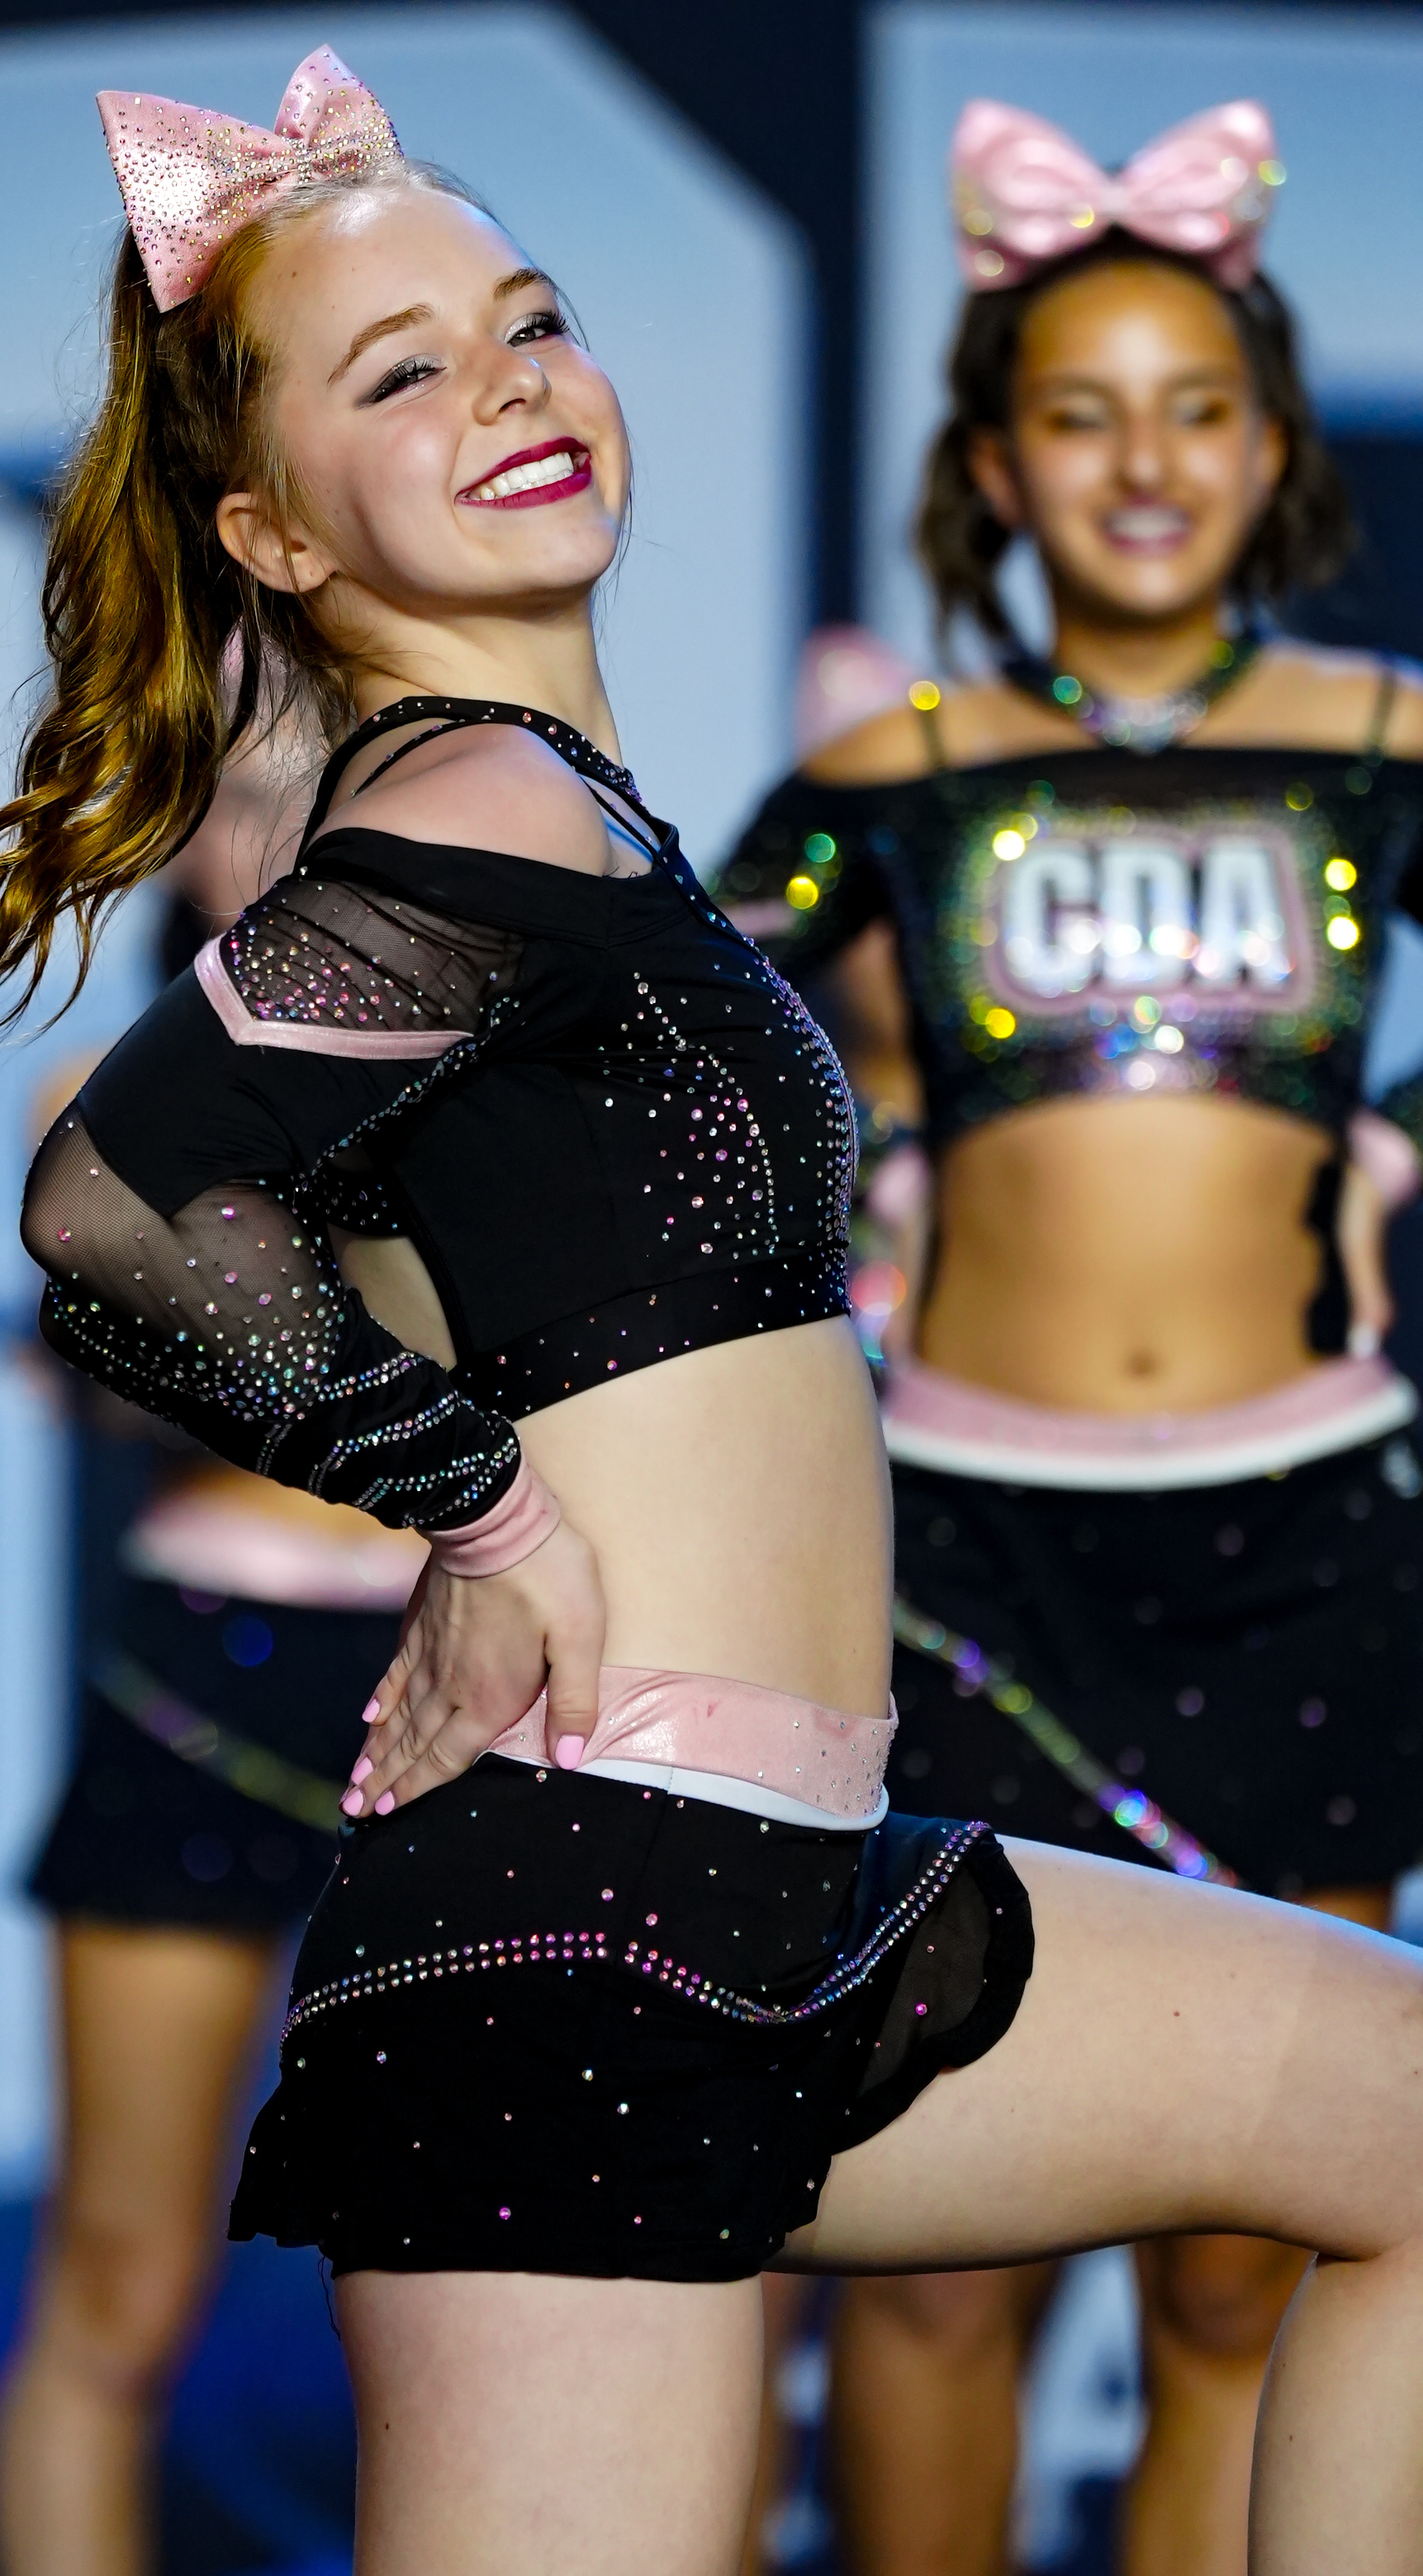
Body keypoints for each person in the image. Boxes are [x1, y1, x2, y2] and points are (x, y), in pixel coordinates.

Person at [0, 56, 1423, 2576]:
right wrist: (469, 1508)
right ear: (271, 534)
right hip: (582, 1922)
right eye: (402, 372)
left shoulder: (580, 813)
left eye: (530, 320)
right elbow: (116, 1201)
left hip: (790, 1877)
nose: (508, 384)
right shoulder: (467, 800)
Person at [722, 97, 1423, 2576]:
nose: (1145, 465)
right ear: (996, 463)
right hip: (964, 1561)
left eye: (1199, 409)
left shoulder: (1384, 739)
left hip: (1304, 1548)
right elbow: (676, 1053)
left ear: (1274, 449)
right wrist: (874, 1148)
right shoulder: (892, 766)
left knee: (1253, 2251)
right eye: (1082, 414)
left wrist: (1397, 1140)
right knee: (935, 2275)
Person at [0, 717, 422, 2576]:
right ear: (174, 842)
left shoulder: (523, 1080)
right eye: (250, 802)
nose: (298, 837)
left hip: (470, 1680)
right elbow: (156, 1381)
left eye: (346, 797)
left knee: (485, 2295)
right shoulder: (99, 1098)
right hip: (210, 1664)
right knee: (121, 2275)